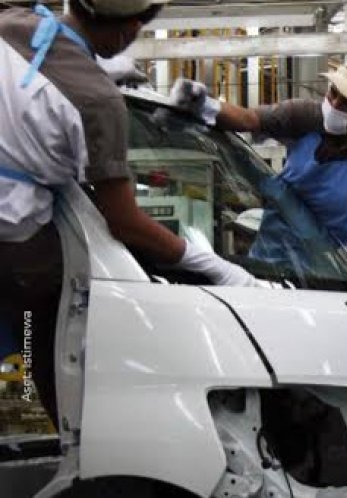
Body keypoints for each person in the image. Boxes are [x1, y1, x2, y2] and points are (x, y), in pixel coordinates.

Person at [0, 0, 262, 430]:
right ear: (130, 28)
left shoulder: (12, 23)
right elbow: (124, 222)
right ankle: (67, 428)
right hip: (13, 234)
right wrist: (213, 265)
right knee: (51, 320)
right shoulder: (100, 102)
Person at [169, 56, 347, 298]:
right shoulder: (305, 117)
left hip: (325, 275)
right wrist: (205, 104)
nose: (335, 105)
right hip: (265, 262)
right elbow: (249, 119)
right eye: (333, 93)